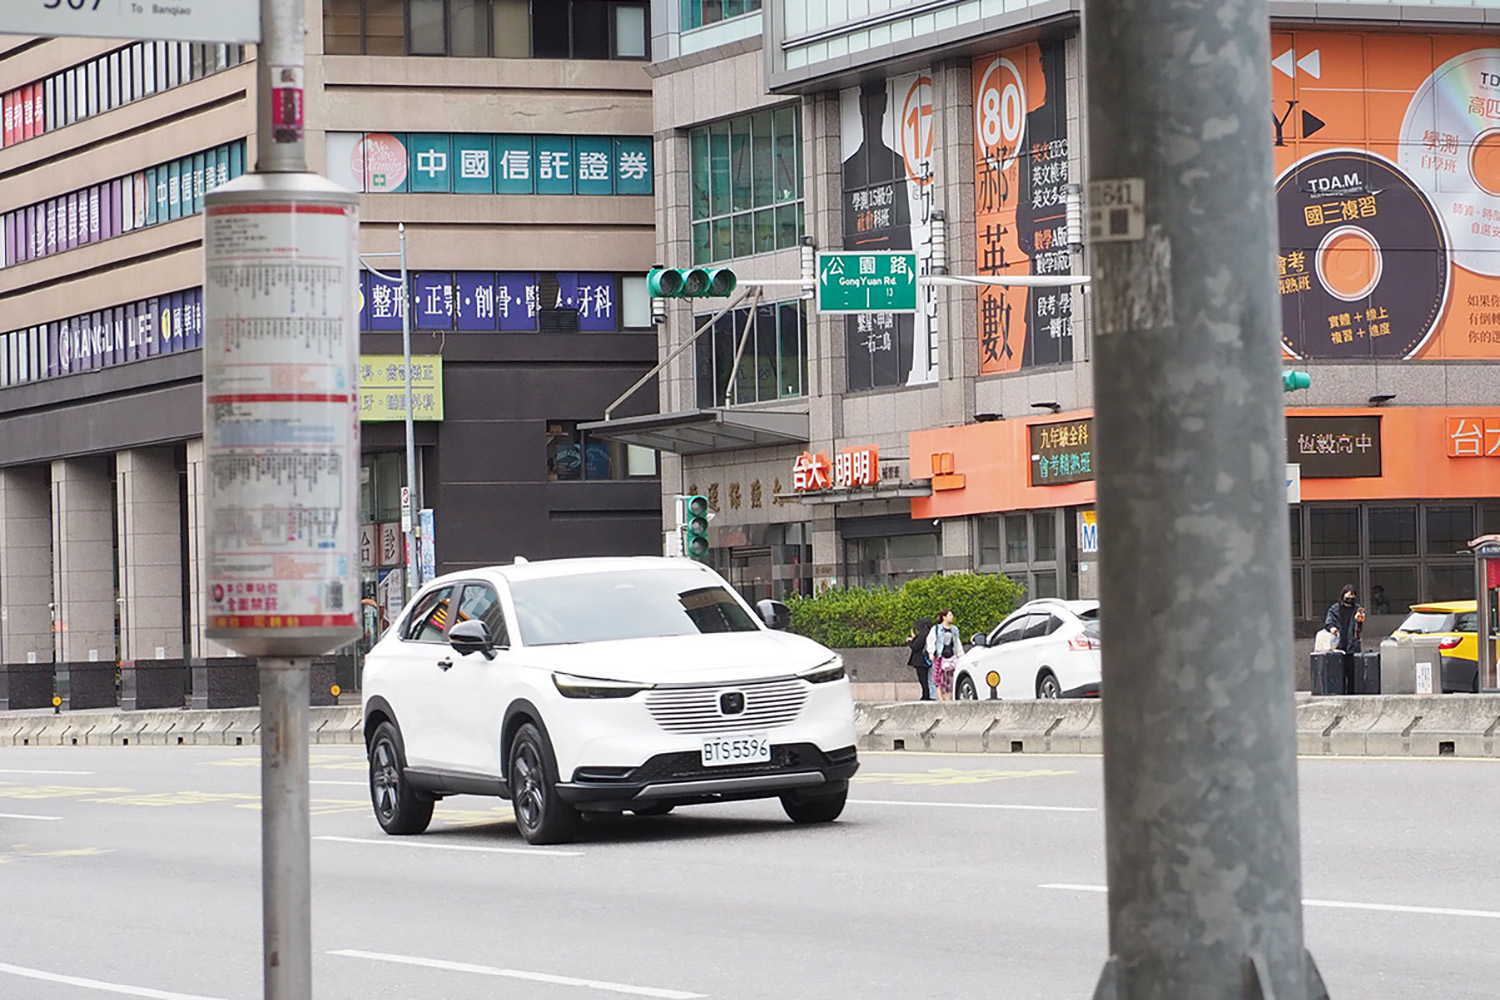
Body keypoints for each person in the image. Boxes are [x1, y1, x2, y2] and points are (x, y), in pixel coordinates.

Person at [1323, 583, 1366, 692]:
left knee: (1352, 674)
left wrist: (1359, 620)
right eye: (1347, 597)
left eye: (1352, 598)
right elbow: (1328, 622)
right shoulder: (1335, 609)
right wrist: (1332, 628)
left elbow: (1359, 628)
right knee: (1338, 674)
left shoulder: (1357, 609)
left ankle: (1351, 694)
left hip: (1352, 646)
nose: (1349, 600)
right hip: (1338, 645)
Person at [925, 609, 964, 701]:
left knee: (950, 678)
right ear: (944, 617)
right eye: (950, 615)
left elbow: (957, 642)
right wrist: (931, 652)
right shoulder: (936, 629)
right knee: (938, 678)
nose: (952, 617)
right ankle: (941, 698)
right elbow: (931, 640)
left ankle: (948, 698)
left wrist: (961, 655)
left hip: (951, 656)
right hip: (939, 656)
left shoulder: (954, 629)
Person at [906, 617, 934, 700]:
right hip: (927, 659)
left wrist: (910, 642)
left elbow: (916, 647)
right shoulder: (930, 633)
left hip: (921, 660)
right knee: (928, 678)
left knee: (923, 678)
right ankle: (929, 694)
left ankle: (926, 695)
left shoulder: (923, 634)